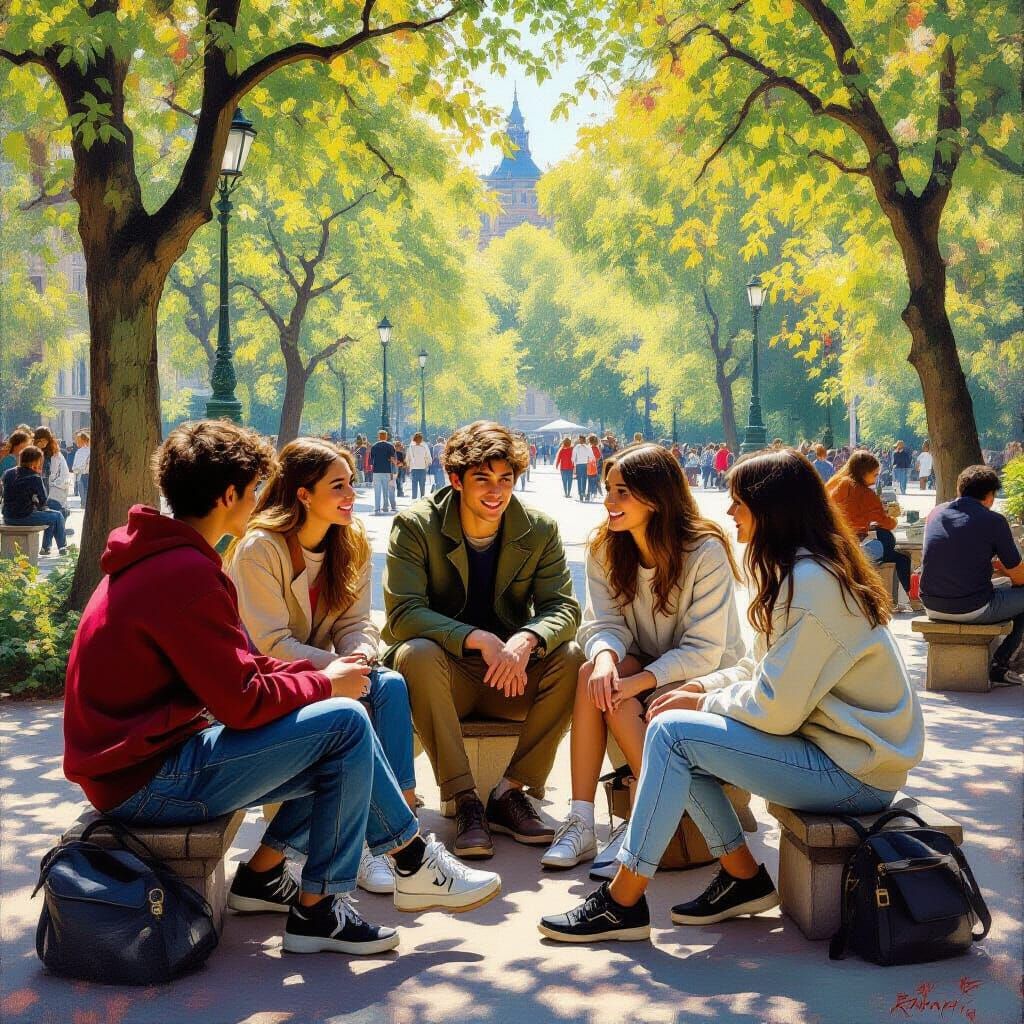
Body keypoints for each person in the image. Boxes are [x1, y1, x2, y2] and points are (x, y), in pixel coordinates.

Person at [63, 421, 500, 957]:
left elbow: (239, 668)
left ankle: (271, 882)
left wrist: (322, 678)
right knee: (345, 724)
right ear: (229, 496)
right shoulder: (186, 574)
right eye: (252, 492)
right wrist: (324, 683)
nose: (257, 503)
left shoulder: (163, 558)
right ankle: (400, 867)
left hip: (143, 763)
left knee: (336, 740)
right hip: (146, 781)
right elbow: (241, 703)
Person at [539, 449, 924, 943]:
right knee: (674, 731)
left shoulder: (811, 585)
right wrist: (700, 688)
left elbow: (776, 710)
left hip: (854, 771)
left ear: (772, 510)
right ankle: (744, 878)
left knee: (675, 734)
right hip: (836, 752)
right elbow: (757, 669)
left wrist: (697, 702)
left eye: (738, 501)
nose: (729, 511)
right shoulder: (799, 572)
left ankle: (622, 901)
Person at [541, 443, 745, 874]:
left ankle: (643, 821)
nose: (608, 502)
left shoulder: (705, 549)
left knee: (624, 695)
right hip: (647, 659)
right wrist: (603, 658)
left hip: (707, 672)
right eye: (608, 490)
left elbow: (705, 650)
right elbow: (604, 624)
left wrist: (638, 681)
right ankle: (581, 821)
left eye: (622, 492)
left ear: (656, 497)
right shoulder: (604, 546)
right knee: (590, 674)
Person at [383, 421, 583, 859]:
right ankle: (466, 800)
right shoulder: (415, 525)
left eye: (505, 479)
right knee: (415, 652)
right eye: (482, 479)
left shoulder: (540, 529)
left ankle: (510, 792)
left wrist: (527, 639)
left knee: (572, 656)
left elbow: (564, 608)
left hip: (509, 675)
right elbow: (403, 614)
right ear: (455, 480)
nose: (496, 491)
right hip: (440, 679)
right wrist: (476, 638)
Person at [227, 438, 417, 894]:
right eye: (338, 485)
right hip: (270, 684)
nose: (351, 492)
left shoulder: (351, 542)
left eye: (352, 482)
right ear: (303, 493)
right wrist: (337, 669)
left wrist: (361, 656)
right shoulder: (260, 549)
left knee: (389, 684)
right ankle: (393, 847)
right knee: (355, 714)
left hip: (323, 670)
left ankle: (398, 831)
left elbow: (358, 623)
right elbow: (270, 644)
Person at [920, 465, 1024, 686]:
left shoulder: (936, 513)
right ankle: (1002, 664)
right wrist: (1004, 568)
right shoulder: (994, 521)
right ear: (990, 496)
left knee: (1003, 587)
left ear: (960, 490)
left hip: (930, 603)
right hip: (971, 607)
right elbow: (1020, 577)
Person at [827, 450, 912, 603]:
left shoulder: (835, 483)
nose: (876, 479)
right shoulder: (866, 494)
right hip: (856, 548)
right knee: (900, 557)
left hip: (833, 545)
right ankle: (912, 600)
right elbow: (888, 523)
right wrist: (894, 517)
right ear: (863, 473)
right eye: (874, 474)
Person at [1, 444, 68, 555]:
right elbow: (43, 500)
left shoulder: (8, 473)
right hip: (24, 517)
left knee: (49, 516)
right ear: (36, 461)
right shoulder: (34, 477)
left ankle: (46, 547)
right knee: (57, 516)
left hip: (8, 517)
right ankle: (62, 547)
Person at [33, 426, 72, 520]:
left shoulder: (54, 453)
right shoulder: (31, 452)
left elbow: (63, 474)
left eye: (46, 441)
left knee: (52, 511)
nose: (44, 443)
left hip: (52, 488)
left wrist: (54, 484)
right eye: (41, 441)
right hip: (37, 486)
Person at [368, 429, 397, 515]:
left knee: (377, 491)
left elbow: (371, 460)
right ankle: (385, 506)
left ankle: (377, 508)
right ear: (386, 436)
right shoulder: (390, 446)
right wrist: (396, 463)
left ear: (378, 437)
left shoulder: (374, 446)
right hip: (387, 470)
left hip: (376, 471)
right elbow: (392, 459)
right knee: (385, 490)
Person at [406, 432, 431, 500]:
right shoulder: (424, 448)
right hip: (422, 468)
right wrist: (428, 464)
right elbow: (428, 458)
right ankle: (422, 498)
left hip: (414, 468)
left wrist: (408, 466)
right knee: (422, 485)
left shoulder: (410, 448)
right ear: (421, 440)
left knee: (414, 485)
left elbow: (407, 458)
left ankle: (414, 498)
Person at [71, 430, 91, 508]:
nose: (76, 442)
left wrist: (79, 468)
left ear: (83, 440)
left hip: (83, 476)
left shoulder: (83, 451)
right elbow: (74, 467)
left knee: (84, 498)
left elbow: (75, 468)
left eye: (78, 440)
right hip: (81, 477)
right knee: (83, 497)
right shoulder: (79, 452)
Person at [572, 434, 594, 502]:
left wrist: (574, 464)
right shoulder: (588, 447)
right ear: (585, 440)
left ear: (580, 440)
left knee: (579, 479)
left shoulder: (576, 447)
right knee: (584, 479)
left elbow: (573, 457)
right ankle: (583, 492)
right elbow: (591, 457)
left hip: (579, 465)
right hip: (585, 464)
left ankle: (580, 494)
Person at [587, 433, 602, 500]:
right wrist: (596, 461)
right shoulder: (596, 448)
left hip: (588, 466)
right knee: (594, 480)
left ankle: (589, 493)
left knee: (590, 480)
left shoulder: (588, 448)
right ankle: (594, 492)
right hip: (595, 466)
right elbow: (599, 457)